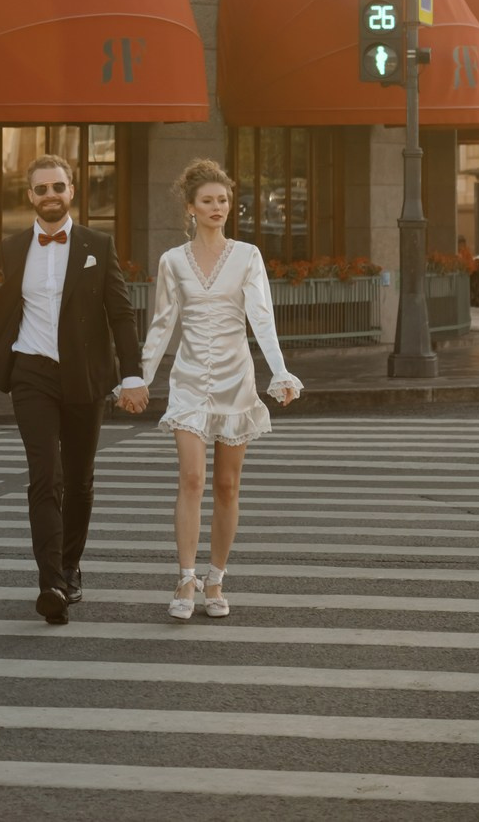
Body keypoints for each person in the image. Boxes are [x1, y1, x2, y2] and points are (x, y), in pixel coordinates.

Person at [0, 153, 148, 625]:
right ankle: (51, 584)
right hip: (32, 374)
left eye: (58, 187)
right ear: (29, 195)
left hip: (85, 376)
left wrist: (133, 373)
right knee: (46, 477)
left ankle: (70, 564)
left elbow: (121, 315)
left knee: (80, 480)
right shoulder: (13, 246)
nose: (50, 196)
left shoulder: (97, 245)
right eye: (41, 189)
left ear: (71, 191)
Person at [140, 157, 302, 622]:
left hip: (237, 380)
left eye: (224, 199)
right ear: (190, 207)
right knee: (191, 479)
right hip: (189, 381)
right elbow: (161, 324)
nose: (218, 207)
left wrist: (281, 372)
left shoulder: (248, 255)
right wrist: (142, 378)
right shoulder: (172, 261)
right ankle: (185, 578)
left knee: (228, 486)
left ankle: (216, 578)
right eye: (208, 200)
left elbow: (262, 318)